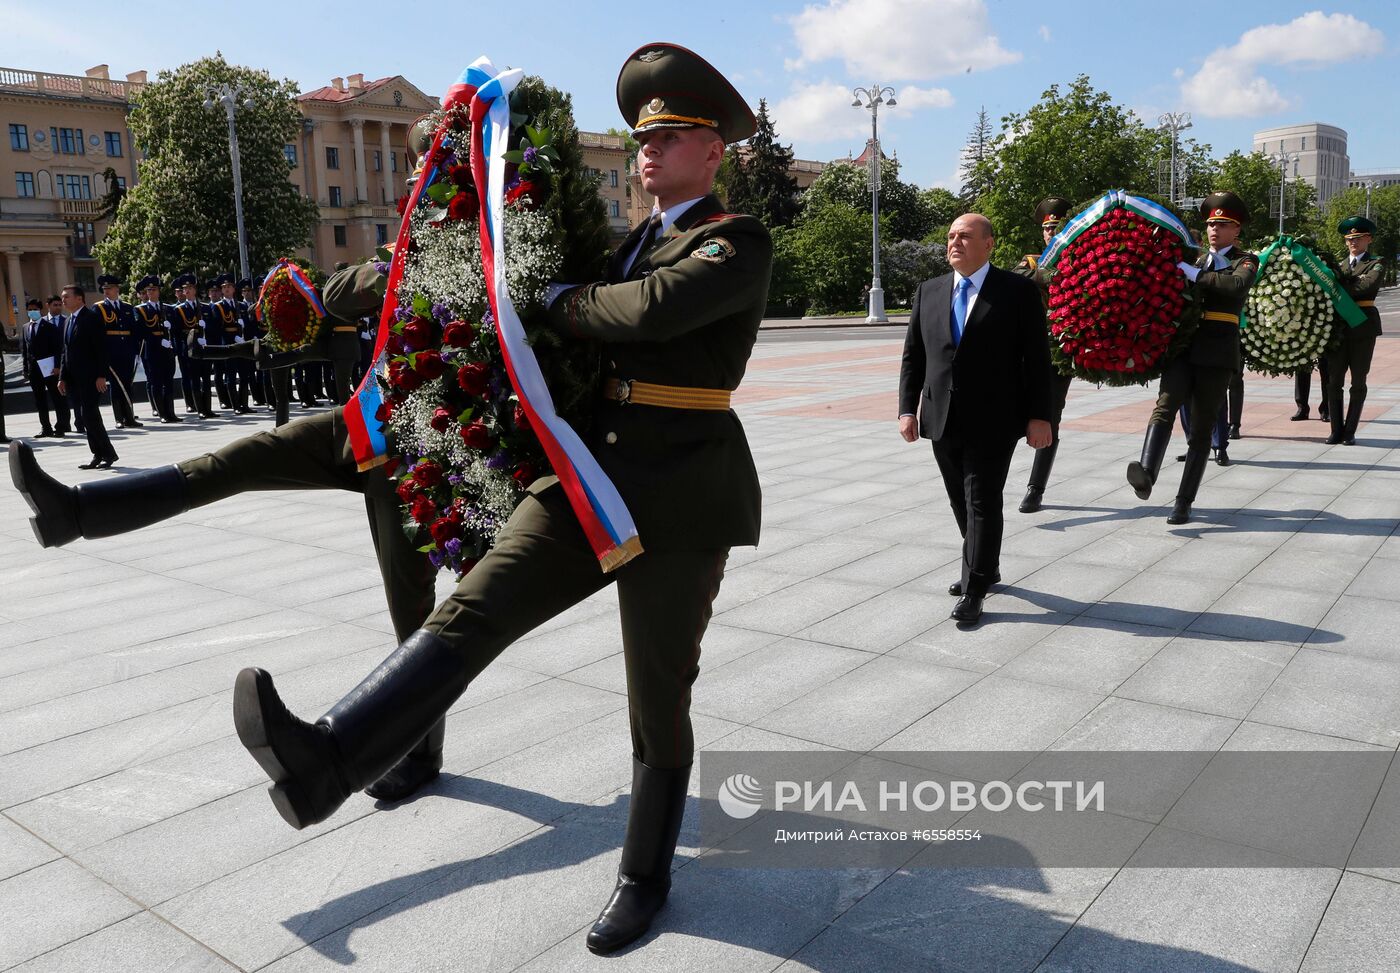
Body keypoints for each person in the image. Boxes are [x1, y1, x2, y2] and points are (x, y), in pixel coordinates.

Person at [898, 213, 1053, 625]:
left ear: (989, 244)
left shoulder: (1017, 292)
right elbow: (914, 356)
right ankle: (984, 563)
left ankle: (976, 587)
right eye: (950, 236)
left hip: (995, 418)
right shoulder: (928, 292)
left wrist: (1041, 417)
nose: (955, 242)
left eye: (965, 236)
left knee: (981, 500)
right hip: (940, 416)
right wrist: (906, 409)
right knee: (958, 499)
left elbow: (1038, 361)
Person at [1126, 191, 1257, 525]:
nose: (1214, 229)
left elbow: (1235, 287)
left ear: (1236, 231)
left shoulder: (1246, 260)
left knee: (1200, 430)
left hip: (1217, 353)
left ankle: (1183, 502)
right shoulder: (1194, 259)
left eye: (1223, 224)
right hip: (1183, 348)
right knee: (1164, 407)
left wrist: (1195, 274)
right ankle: (1147, 473)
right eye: (1211, 224)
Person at [1013, 196, 1073, 514]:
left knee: (1050, 417)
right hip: (1024, 350)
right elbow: (1016, 277)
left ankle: (1035, 489)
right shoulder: (1032, 261)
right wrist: (1052, 276)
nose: (1051, 233)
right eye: (1048, 229)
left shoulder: (1083, 261)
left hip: (1059, 350)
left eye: (1057, 228)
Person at [1326, 216, 1383, 445]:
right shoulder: (1337, 266)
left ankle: (1350, 431)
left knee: (1358, 381)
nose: (1353, 242)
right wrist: (1350, 283)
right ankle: (1335, 429)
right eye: (1349, 238)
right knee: (1333, 381)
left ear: (1368, 239)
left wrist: (1341, 285)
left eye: (1358, 238)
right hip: (1339, 329)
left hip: (1362, 327)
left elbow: (1368, 285)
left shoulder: (1376, 263)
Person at [55, 284, 117, 468]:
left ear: (79, 298)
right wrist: (62, 377)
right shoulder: (68, 321)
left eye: (67, 296)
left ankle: (108, 454)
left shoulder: (91, 318)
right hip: (74, 379)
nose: (63, 300)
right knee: (85, 417)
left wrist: (101, 375)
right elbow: (65, 352)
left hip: (91, 378)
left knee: (90, 415)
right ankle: (98, 454)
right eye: (62, 296)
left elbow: (101, 349)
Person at [95, 274, 142, 429]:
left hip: (127, 351)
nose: (107, 291)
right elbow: (99, 333)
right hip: (111, 352)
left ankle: (130, 417)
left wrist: (136, 351)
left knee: (127, 384)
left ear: (117, 289)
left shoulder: (128, 307)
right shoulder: (99, 308)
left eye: (110, 288)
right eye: (104, 289)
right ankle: (119, 418)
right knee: (116, 385)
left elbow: (134, 331)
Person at [134, 276, 182, 424]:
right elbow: (140, 331)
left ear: (159, 291)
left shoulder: (168, 309)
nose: (151, 292)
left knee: (168, 381)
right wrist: (158, 339)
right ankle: (162, 413)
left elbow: (177, 329)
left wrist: (171, 334)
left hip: (167, 350)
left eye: (154, 289)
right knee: (155, 382)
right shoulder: (140, 310)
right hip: (152, 350)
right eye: (148, 290)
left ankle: (171, 412)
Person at [21, 298, 70, 439]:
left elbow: (58, 349)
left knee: (57, 398)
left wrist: (57, 366)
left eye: (35, 309)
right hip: (34, 370)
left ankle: (61, 427)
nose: (32, 312)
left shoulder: (49, 327)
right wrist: (25, 369)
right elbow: (24, 351)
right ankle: (46, 427)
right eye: (29, 309)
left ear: (40, 310)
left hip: (49, 369)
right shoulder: (25, 328)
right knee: (39, 400)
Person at [171, 274, 218, 418]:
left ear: (195, 289)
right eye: (185, 288)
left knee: (206, 378)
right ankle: (200, 409)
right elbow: (176, 333)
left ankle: (208, 408)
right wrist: (183, 349)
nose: (187, 291)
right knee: (195, 379)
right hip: (190, 349)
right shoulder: (179, 310)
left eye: (190, 288)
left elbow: (214, 328)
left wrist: (207, 335)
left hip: (204, 348)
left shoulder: (205, 307)